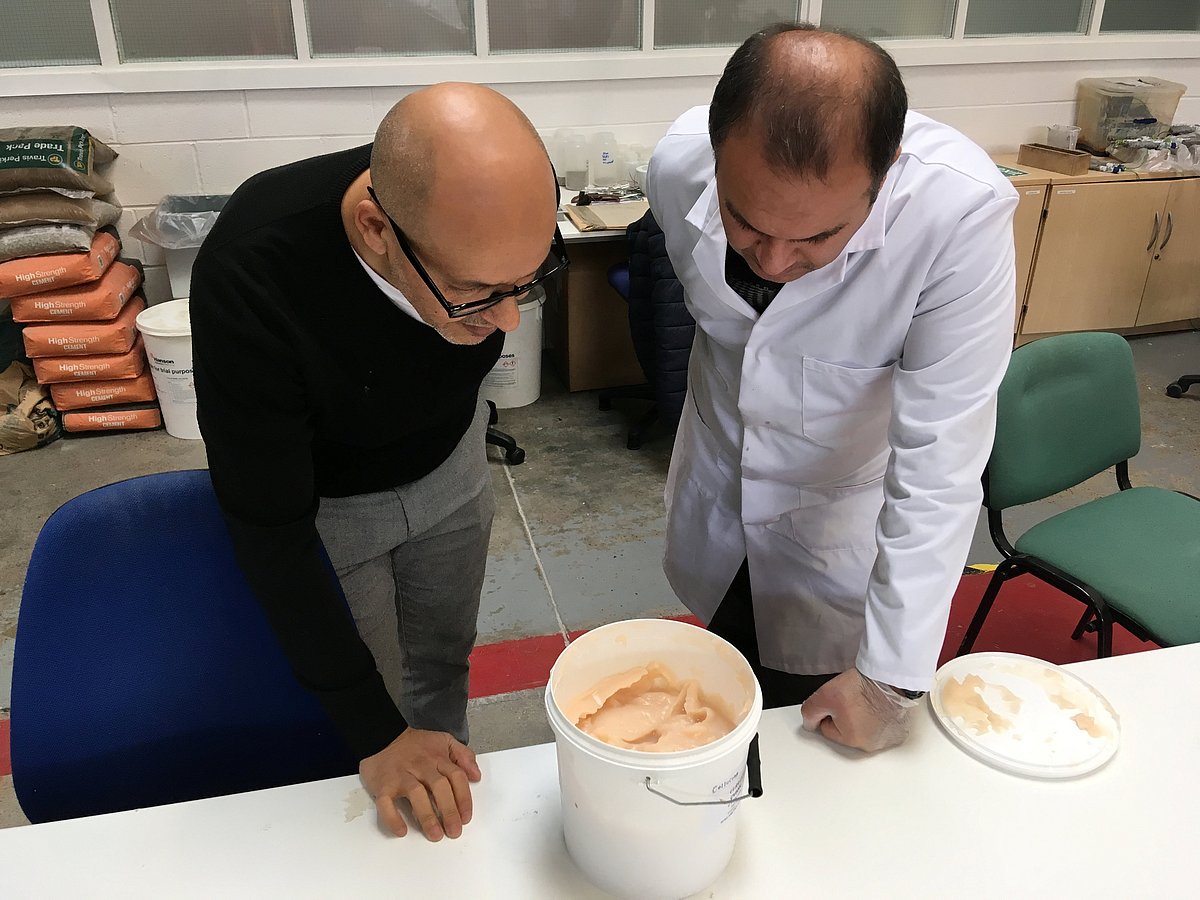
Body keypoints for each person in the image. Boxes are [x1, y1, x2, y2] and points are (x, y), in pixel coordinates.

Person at [190, 84, 564, 840]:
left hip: (452, 462)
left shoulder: (475, 222)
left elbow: (484, 292)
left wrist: (471, 296)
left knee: (443, 659)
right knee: (371, 699)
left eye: (526, 281)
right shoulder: (254, 273)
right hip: (332, 504)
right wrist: (375, 733)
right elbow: (270, 528)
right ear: (375, 228)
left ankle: (447, 794)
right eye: (474, 294)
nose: (508, 320)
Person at [647, 24, 1017, 752]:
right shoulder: (677, 166)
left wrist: (887, 682)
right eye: (745, 224)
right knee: (722, 692)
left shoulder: (958, 219)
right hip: (721, 487)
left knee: (815, 752)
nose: (778, 260)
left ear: (886, 177)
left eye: (818, 238)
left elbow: (941, 462)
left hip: (844, 524)